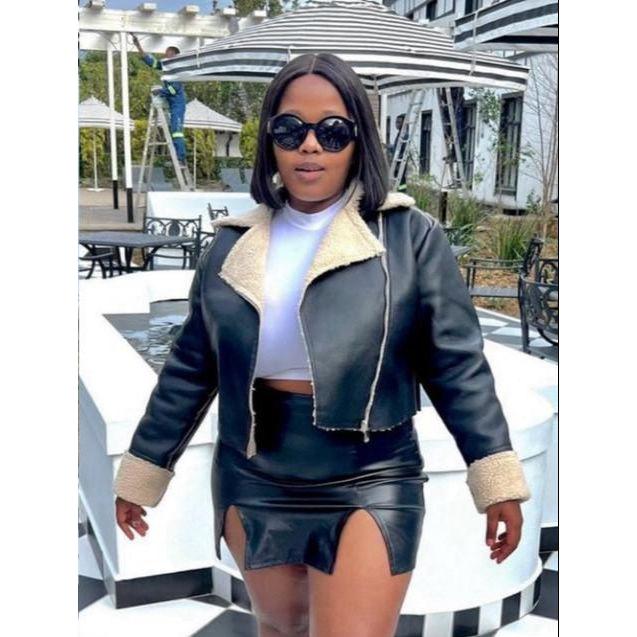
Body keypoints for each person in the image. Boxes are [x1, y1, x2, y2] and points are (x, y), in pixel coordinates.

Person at [113, 52, 531, 636]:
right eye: (291, 129)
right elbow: (190, 368)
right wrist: (144, 470)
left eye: (332, 131)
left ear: (359, 140)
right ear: (270, 141)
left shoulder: (410, 237)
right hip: (254, 471)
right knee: (281, 628)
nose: (310, 145)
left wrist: (495, 480)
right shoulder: (232, 245)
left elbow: (457, 368)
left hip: (372, 469)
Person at [131, 34, 187, 164]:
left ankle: (181, 158)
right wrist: (138, 46)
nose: (165, 55)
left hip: (178, 104)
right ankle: (179, 157)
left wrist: (160, 91)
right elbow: (151, 62)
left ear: (174, 55)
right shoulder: (166, 66)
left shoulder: (178, 70)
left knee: (177, 131)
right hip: (170, 102)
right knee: (173, 130)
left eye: (168, 53)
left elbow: (174, 90)